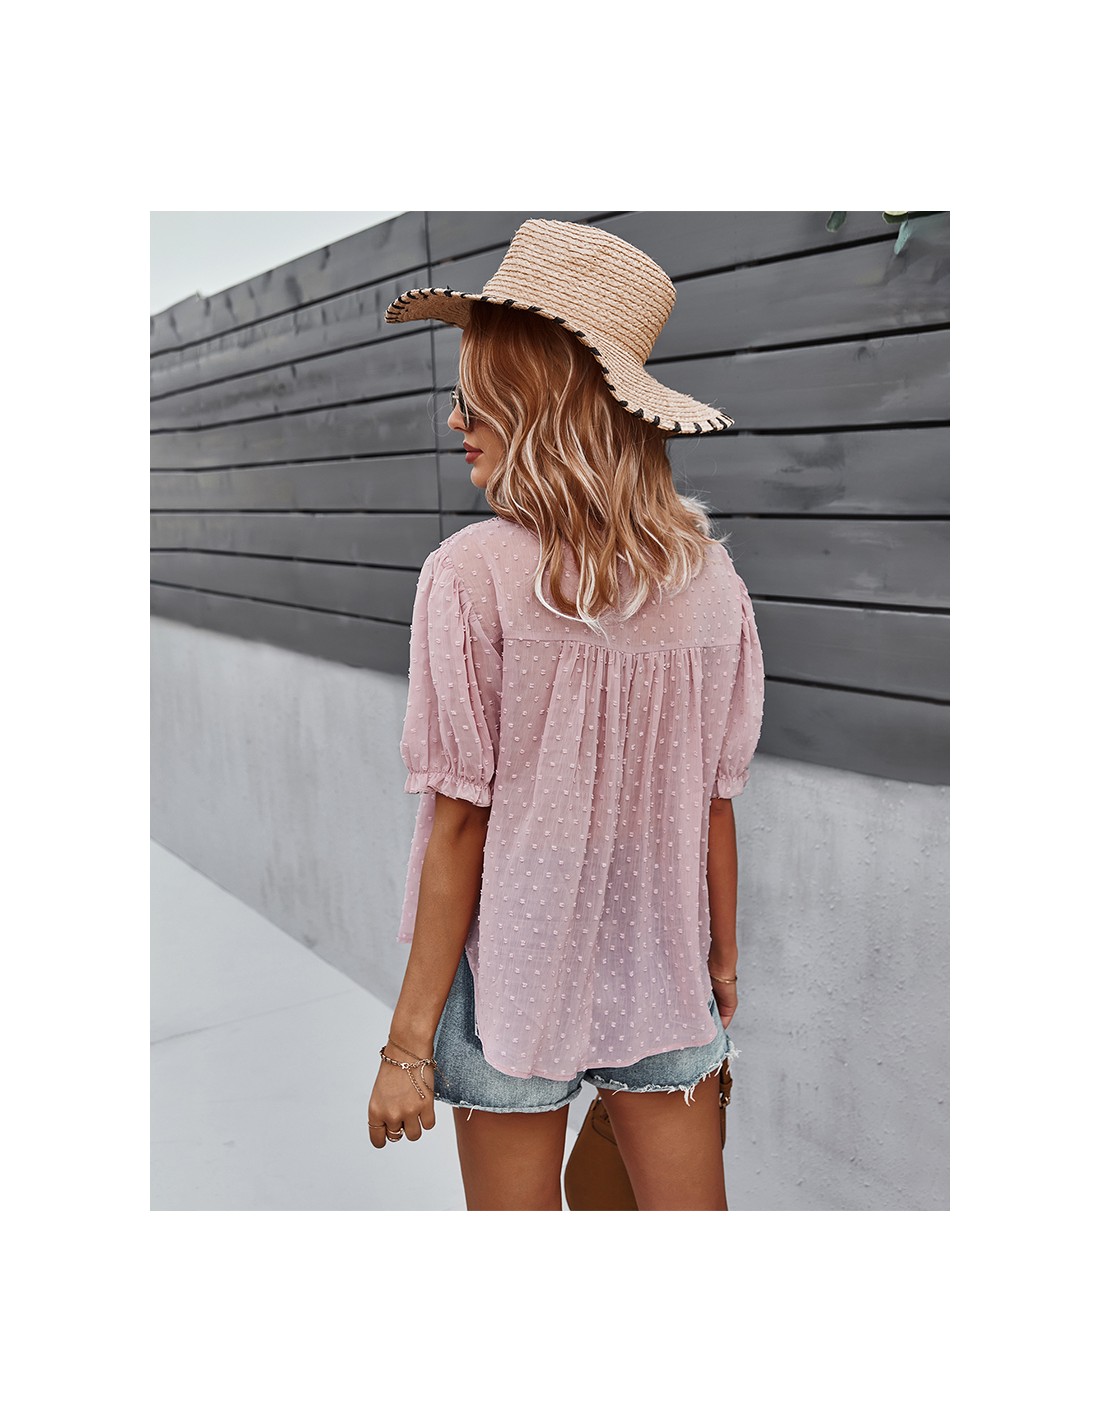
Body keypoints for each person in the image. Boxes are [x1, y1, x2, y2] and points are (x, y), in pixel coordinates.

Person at [366, 219, 765, 1210]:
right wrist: (719, 961)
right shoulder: (713, 580)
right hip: (664, 963)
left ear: (537, 403)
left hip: (512, 970)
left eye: (477, 398)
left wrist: (407, 1045)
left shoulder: (470, 575)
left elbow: (461, 821)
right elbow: (716, 801)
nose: (454, 420)